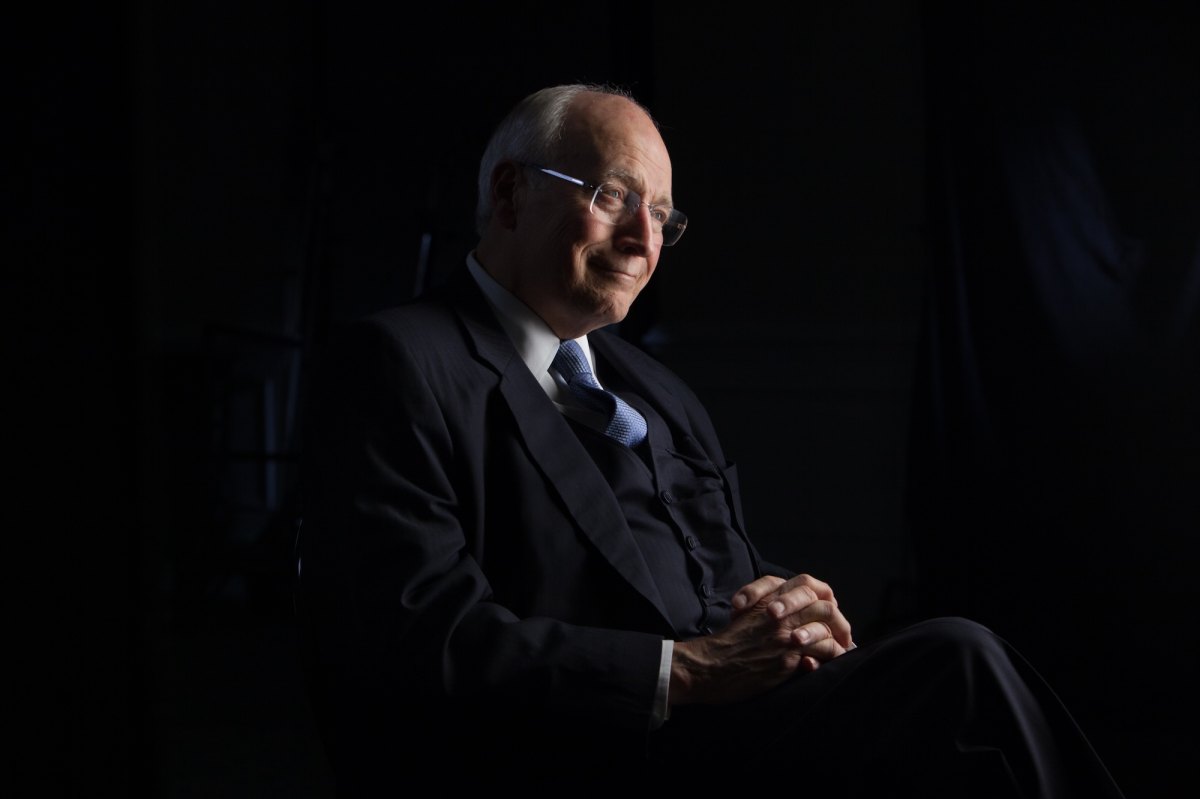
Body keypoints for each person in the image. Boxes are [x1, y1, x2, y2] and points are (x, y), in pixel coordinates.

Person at [296, 83, 1125, 795]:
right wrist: (686, 671)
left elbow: (717, 568)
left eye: (662, 215)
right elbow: (418, 636)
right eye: (614, 196)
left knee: (955, 722)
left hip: (735, 722)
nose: (644, 240)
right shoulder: (398, 360)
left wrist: (786, 607)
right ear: (510, 195)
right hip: (594, 743)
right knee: (956, 664)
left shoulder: (655, 385)